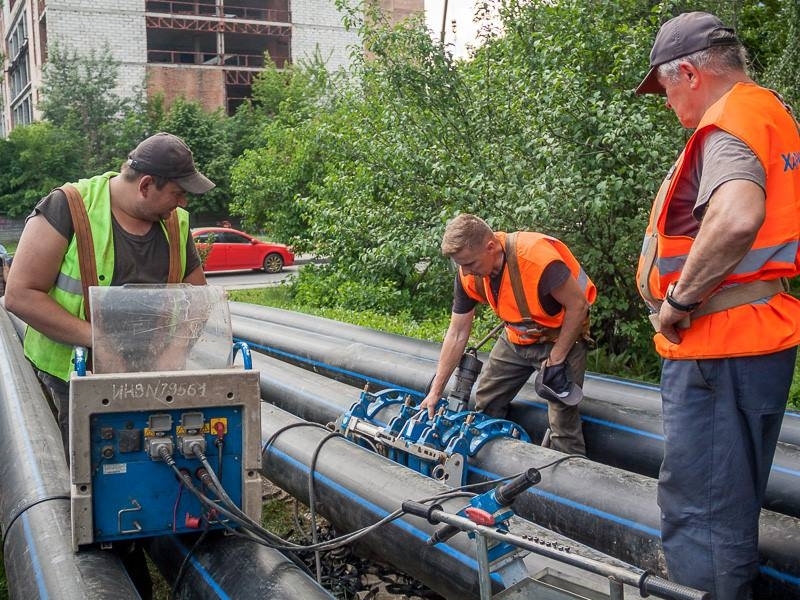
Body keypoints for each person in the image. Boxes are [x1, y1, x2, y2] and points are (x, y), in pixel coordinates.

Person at [634, 12, 800, 599]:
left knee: (702, 513)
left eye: (665, 86)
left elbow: (736, 217)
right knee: (729, 502)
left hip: (718, 344)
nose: (666, 100)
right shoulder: (765, 113)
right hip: (749, 341)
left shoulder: (730, 121)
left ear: (689, 72)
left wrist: (680, 298)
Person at [5, 132, 214, 451]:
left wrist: (174, 353)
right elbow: (20, 295)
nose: (183, 202)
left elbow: (199, 300)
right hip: (73, 374)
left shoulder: (176, 223)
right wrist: (100, 341)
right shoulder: (69, 206)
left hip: (151, 372)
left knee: (150, 460)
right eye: (178, 192)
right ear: (145, 185)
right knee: (90, 467)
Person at [419, 213, 596, 455]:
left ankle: (570, 478)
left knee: (562, 422)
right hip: (516, 338)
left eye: (470, 264)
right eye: (460, 265)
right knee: (486, 401)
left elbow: (578, 306)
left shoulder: (537, 260)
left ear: (490, 247)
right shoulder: (468, 274)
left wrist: (556, 358)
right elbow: (458, 333)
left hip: (561, 337)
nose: (466, 272)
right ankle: (490, 464)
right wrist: (436, 391)